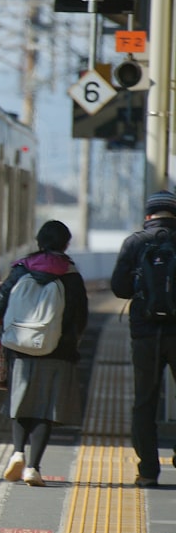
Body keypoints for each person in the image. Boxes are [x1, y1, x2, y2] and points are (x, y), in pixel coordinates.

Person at [0, 220, 88, 487]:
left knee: (20, 402)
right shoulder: (71, 275)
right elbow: (80, 317)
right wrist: (70, 343)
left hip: (20, 348)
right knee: (45, 408)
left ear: (39, 241)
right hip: (57, 351)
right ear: (66, 243)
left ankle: (18, 452)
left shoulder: (21, 269)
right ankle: (33, 468)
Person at [110, 190, 176, 487]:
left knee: (144, 401)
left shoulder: (135, 242)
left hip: (145, 334)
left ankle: (148, 471)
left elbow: (120, 288)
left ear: (149, 215)